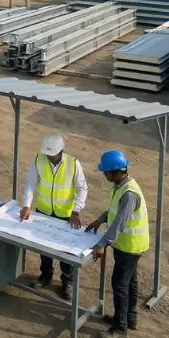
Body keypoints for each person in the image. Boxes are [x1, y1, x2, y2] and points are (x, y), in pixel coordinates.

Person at [86, 150, 149, 338]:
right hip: (130, 245)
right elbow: (114, 211)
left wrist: (101, 244)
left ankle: (120, 328)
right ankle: (130, 319)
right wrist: (100, 220)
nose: (104, 175)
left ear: (115, 171)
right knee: (130, 282)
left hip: (129, 247)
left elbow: (120, 223)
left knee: (120, 284)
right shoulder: (121, 186)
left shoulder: (129, 194)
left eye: (106, 172)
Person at [19, 132, 88, 300]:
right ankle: (46, 275)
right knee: (44, 248)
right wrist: (26, 205)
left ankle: (67, 281)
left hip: (66, 215)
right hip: (43, 212)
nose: (49, 157)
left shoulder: (73, 164)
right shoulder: (38, 159)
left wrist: (76, 211)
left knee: (66, 250)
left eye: (53, 155)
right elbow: (30, 183)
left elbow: (82, 189)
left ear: (61, 151)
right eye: (47, 154)